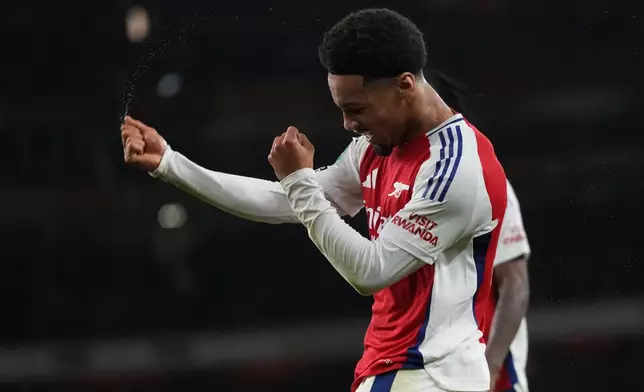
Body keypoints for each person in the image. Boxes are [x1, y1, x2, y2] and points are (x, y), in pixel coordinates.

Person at [121, 8, 507, 392]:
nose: (348, 125)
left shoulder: (454, 169)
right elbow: (287, 201)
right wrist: (171, 164)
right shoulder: (376, 149)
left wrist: (300, 182)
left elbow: (370, 271)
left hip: (426, 374)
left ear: (404, 86)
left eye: (356, 109)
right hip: (406, 371)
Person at [427, 71, 531, 392]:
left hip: (487, 371)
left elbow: (515, 286)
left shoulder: (484, 180)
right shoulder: (406, 187)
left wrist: (491, 366)